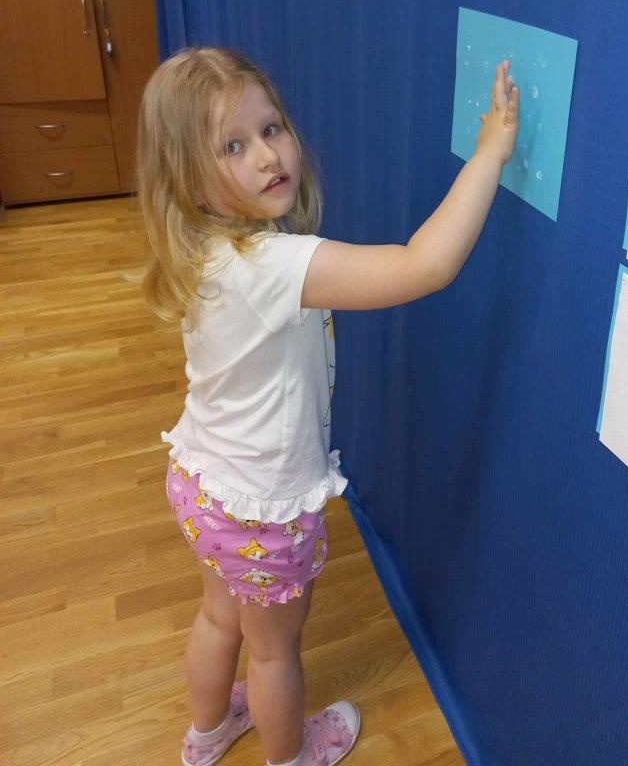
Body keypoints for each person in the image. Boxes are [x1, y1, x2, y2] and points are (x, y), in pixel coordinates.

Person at [134, 46, 519, 766]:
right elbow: (424, 264)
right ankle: (291, 756)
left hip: (202, 485)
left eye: (271, 128)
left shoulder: (202, 249)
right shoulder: (271, 266)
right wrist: (490, 154)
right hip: (263, 508)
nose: (266, 156)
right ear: (188, 178)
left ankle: (207, 733)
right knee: (273, 653)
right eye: (232, 146)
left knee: (220, 617)